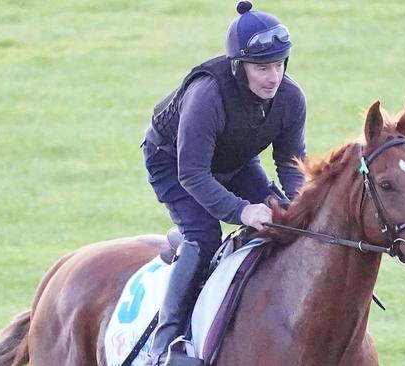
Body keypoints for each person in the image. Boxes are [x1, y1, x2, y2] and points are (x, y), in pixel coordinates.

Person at [141, 1, 307, 364]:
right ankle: (164, 344)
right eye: (262, 67)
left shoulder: (291, 98)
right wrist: (241, 211)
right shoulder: (208, 95)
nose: (273, 77)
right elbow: (193, 173)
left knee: (283, 223)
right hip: (173, 163)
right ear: (239, 66)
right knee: (204, 236)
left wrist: (300, 206)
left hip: (234, 162)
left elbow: (291, 162)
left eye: (279, 65)